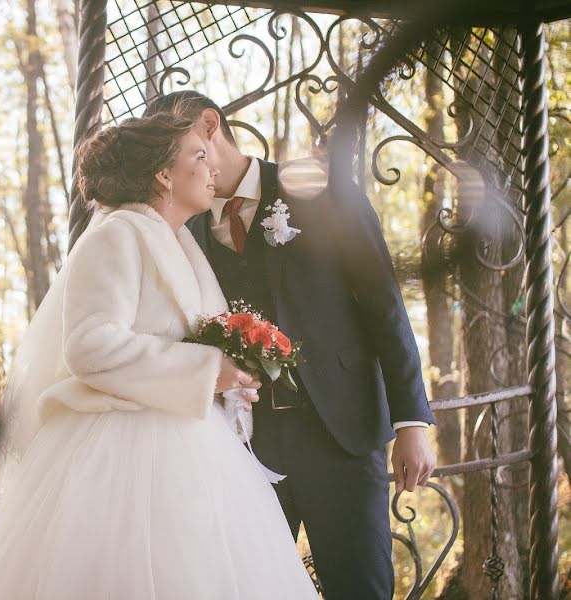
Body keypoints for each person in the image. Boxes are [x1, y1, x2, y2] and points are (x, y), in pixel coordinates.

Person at [0, 112, 318, 599]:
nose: (212, 165)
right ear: (164, 175)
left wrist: (229, 383)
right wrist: (207, 369)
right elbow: (90, 345)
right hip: (120, 452)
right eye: (198, 155)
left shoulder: (184, 244)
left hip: (195, 449)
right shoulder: (116, 235)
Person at [143, 90, 438, 599]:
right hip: (249, 448)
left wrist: (412, 421)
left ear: (209, 126)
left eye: (177, 146)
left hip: (342, 433)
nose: (169, 166)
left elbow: (383, 305)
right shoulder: (185, 226)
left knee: (360, 587)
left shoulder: (316, 188)